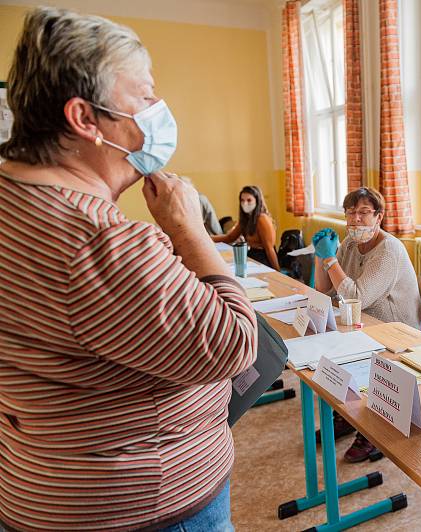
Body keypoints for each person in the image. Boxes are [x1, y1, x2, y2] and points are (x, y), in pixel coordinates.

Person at [0, 8, 256, 531]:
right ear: (85, 119)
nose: (158, 110)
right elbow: (233, 343)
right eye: (143, 96)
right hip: (141, 503)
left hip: (48, 483)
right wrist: (188, 229)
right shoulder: (96, 239)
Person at [313, 187, 421, 462]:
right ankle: (349, 414)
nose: (356, 220)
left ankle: (375, 428)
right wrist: (319, 256)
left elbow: (355, 298)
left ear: (379, 217)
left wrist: (330, 260)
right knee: (329, 347)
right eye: (351, 213)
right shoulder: (350, 244)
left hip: (394, 329)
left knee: (346, 349)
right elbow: (325, 289)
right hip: (362, 323)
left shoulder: (389, 250)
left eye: (364, 213)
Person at [212, 185, 279, 270]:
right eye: (242, 200)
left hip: (263, 258)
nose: (245, 203)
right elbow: (229, 237)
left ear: (257, 201)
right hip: (251, 256)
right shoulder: (246, 218)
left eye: (249, 200)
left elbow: (269, 249)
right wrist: (207, 237)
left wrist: (277, 271)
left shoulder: (262, 219)